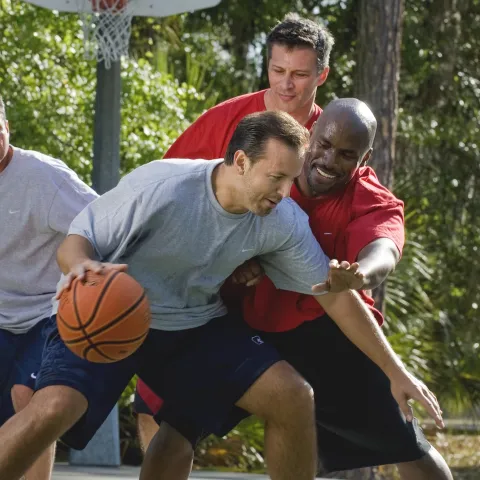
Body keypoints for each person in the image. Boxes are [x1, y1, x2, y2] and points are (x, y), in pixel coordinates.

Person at [0, 111, 441, 480]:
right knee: (55, 406)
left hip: (192, 325)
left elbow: (335, 296)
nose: (286, 192)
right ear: (241, 161)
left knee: (292, 395)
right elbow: (76, 240)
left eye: (290, 179)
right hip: (111, 312)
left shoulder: (281, 219)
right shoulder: (163, 187)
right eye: (276, 177)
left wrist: (395, 371)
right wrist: (83, 271)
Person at [137, 100, 453, 480]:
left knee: (408, 445)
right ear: (310, 135)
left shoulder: (370, 198)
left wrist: (361, 274)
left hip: (325, 333)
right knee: (178, 427)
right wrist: (236, 266)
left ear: (364, 158)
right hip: (243, 325)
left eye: (346, 154)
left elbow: (383, 247)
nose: (329, 160)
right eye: (323, 145)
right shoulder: (266, 171)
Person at [135, 9, 333, 449]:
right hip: (199, 297)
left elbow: (348, 213)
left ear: (322, 74)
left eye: (299, 75)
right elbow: (165, 195)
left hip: (291, 304)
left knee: (298, 403)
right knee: (157, 409)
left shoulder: (333, 136)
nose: (285, 84)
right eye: (277, 70)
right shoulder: (224, 122)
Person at [0, 94, 98, 480]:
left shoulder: (44, 177)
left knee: (29, 399)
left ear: (6, 127)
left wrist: (88, 270)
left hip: (47, 311)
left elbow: (102, 222)